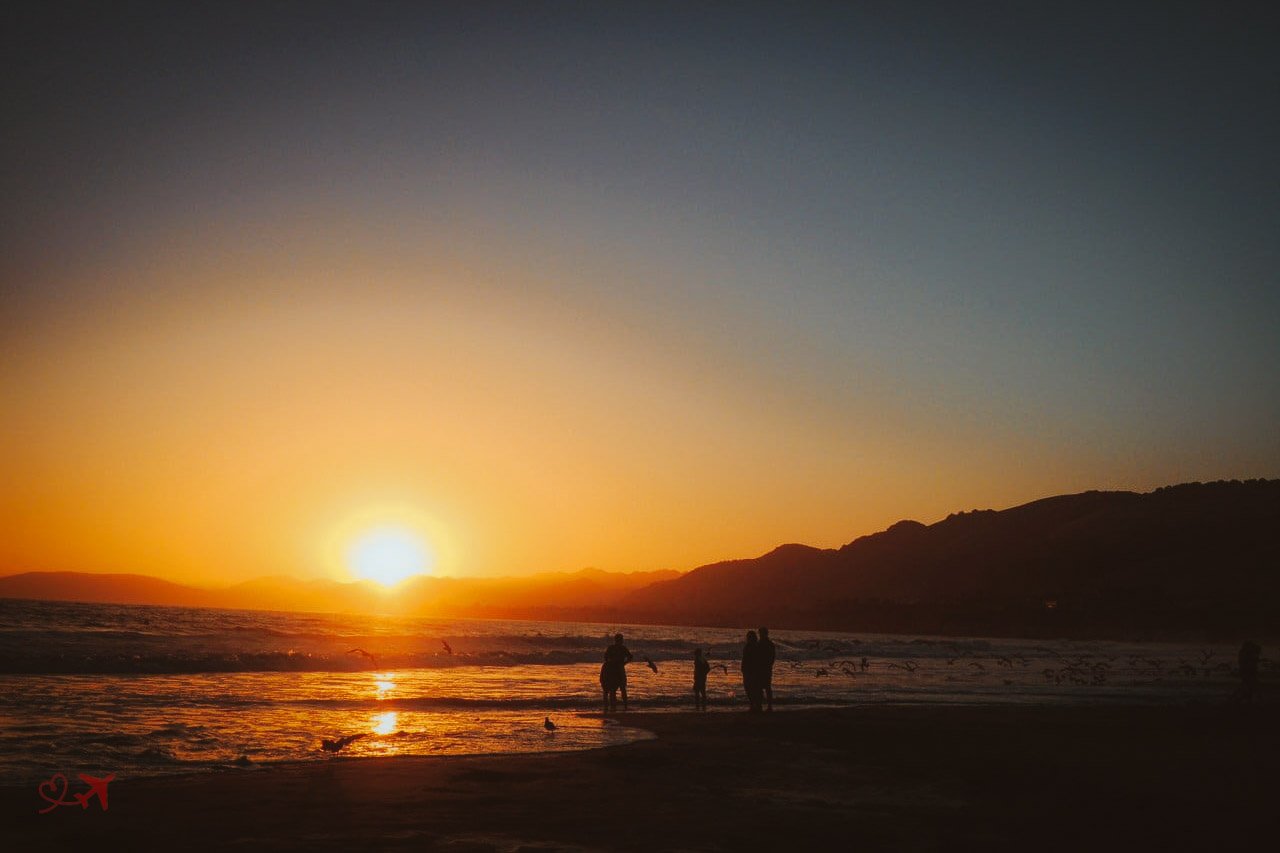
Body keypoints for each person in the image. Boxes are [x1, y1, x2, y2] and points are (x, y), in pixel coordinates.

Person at [601, 633, 633, 712]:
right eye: (621, 639)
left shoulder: (612, 648)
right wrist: (624, 663)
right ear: (621, 640)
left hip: (611, 669)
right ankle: (623, 706)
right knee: (620, 688)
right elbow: (630, 657)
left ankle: (609, 707)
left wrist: (610, 663)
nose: (622, 641)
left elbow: (605, 658)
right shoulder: (622, 648)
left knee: (609, 689)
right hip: (617, 669)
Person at [741, 630, 763, 712]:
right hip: (750, 670)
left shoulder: (754, 646)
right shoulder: (753, 646)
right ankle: (754, 704)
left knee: (751, 687)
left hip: (752, 670)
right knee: (750, 687)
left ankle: (755, 705)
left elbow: (747, 659)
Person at [758, 626, 777, 712]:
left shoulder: (763, 643)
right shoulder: (769, 644)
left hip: (764, 668)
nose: (760, 634)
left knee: (764, 687)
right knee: (764, 687)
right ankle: (766, 705)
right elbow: (773, 657)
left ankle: (766, 706)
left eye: (761, 633)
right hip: (765, 668)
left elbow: (772, 657)